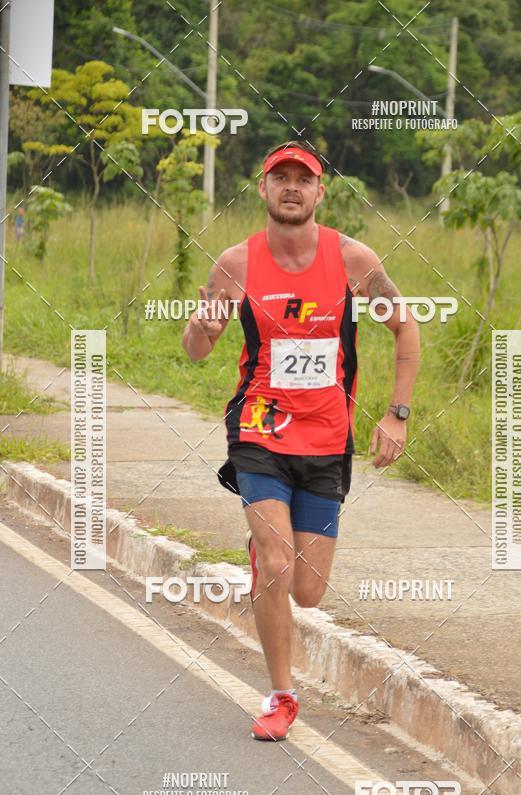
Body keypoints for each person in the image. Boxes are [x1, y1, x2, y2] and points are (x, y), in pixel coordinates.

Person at [182, 140, 420, 741]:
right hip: (259, 431)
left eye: (303, 179)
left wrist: (397, 414)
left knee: (309, 592)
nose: (292, 187)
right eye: (279, 177)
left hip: (326, 439)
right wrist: (200, 330)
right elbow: (197, 347)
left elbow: (404, 324)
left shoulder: (353, 259)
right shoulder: (235, 264)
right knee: (278, 566)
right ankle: (282, 696)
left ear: (320, 192)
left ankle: (270, 554)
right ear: (262, 190)